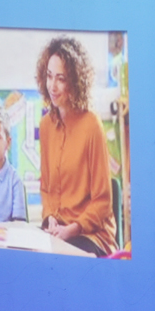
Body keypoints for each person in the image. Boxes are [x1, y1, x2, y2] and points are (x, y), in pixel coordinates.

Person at [36, 36, 116, 256]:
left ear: (75, 81)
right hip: (57, 231)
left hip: (92, 235)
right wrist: (50, 217)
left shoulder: (92, 125)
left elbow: (103, 202)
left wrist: (72, 229)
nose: (52, 86)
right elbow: (46, 189)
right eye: (49, 76)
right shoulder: (45, 126)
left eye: (60, 79)